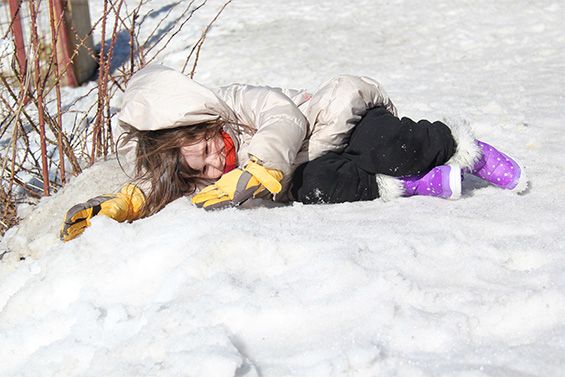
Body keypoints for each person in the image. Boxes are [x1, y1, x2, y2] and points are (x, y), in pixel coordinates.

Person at [60, 65, 527, 241]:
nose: (213, 164)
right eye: (199, 168)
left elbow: (284, 117)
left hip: (346, 119)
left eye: (205, 149)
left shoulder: (234, 102)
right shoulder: (191, 163)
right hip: (315, 163)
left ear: (201, 124)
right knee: (316, 188)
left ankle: (459, 146)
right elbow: (157, 186)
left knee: (393, 150)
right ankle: (414, 187)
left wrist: (259, 167)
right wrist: (121, 205)